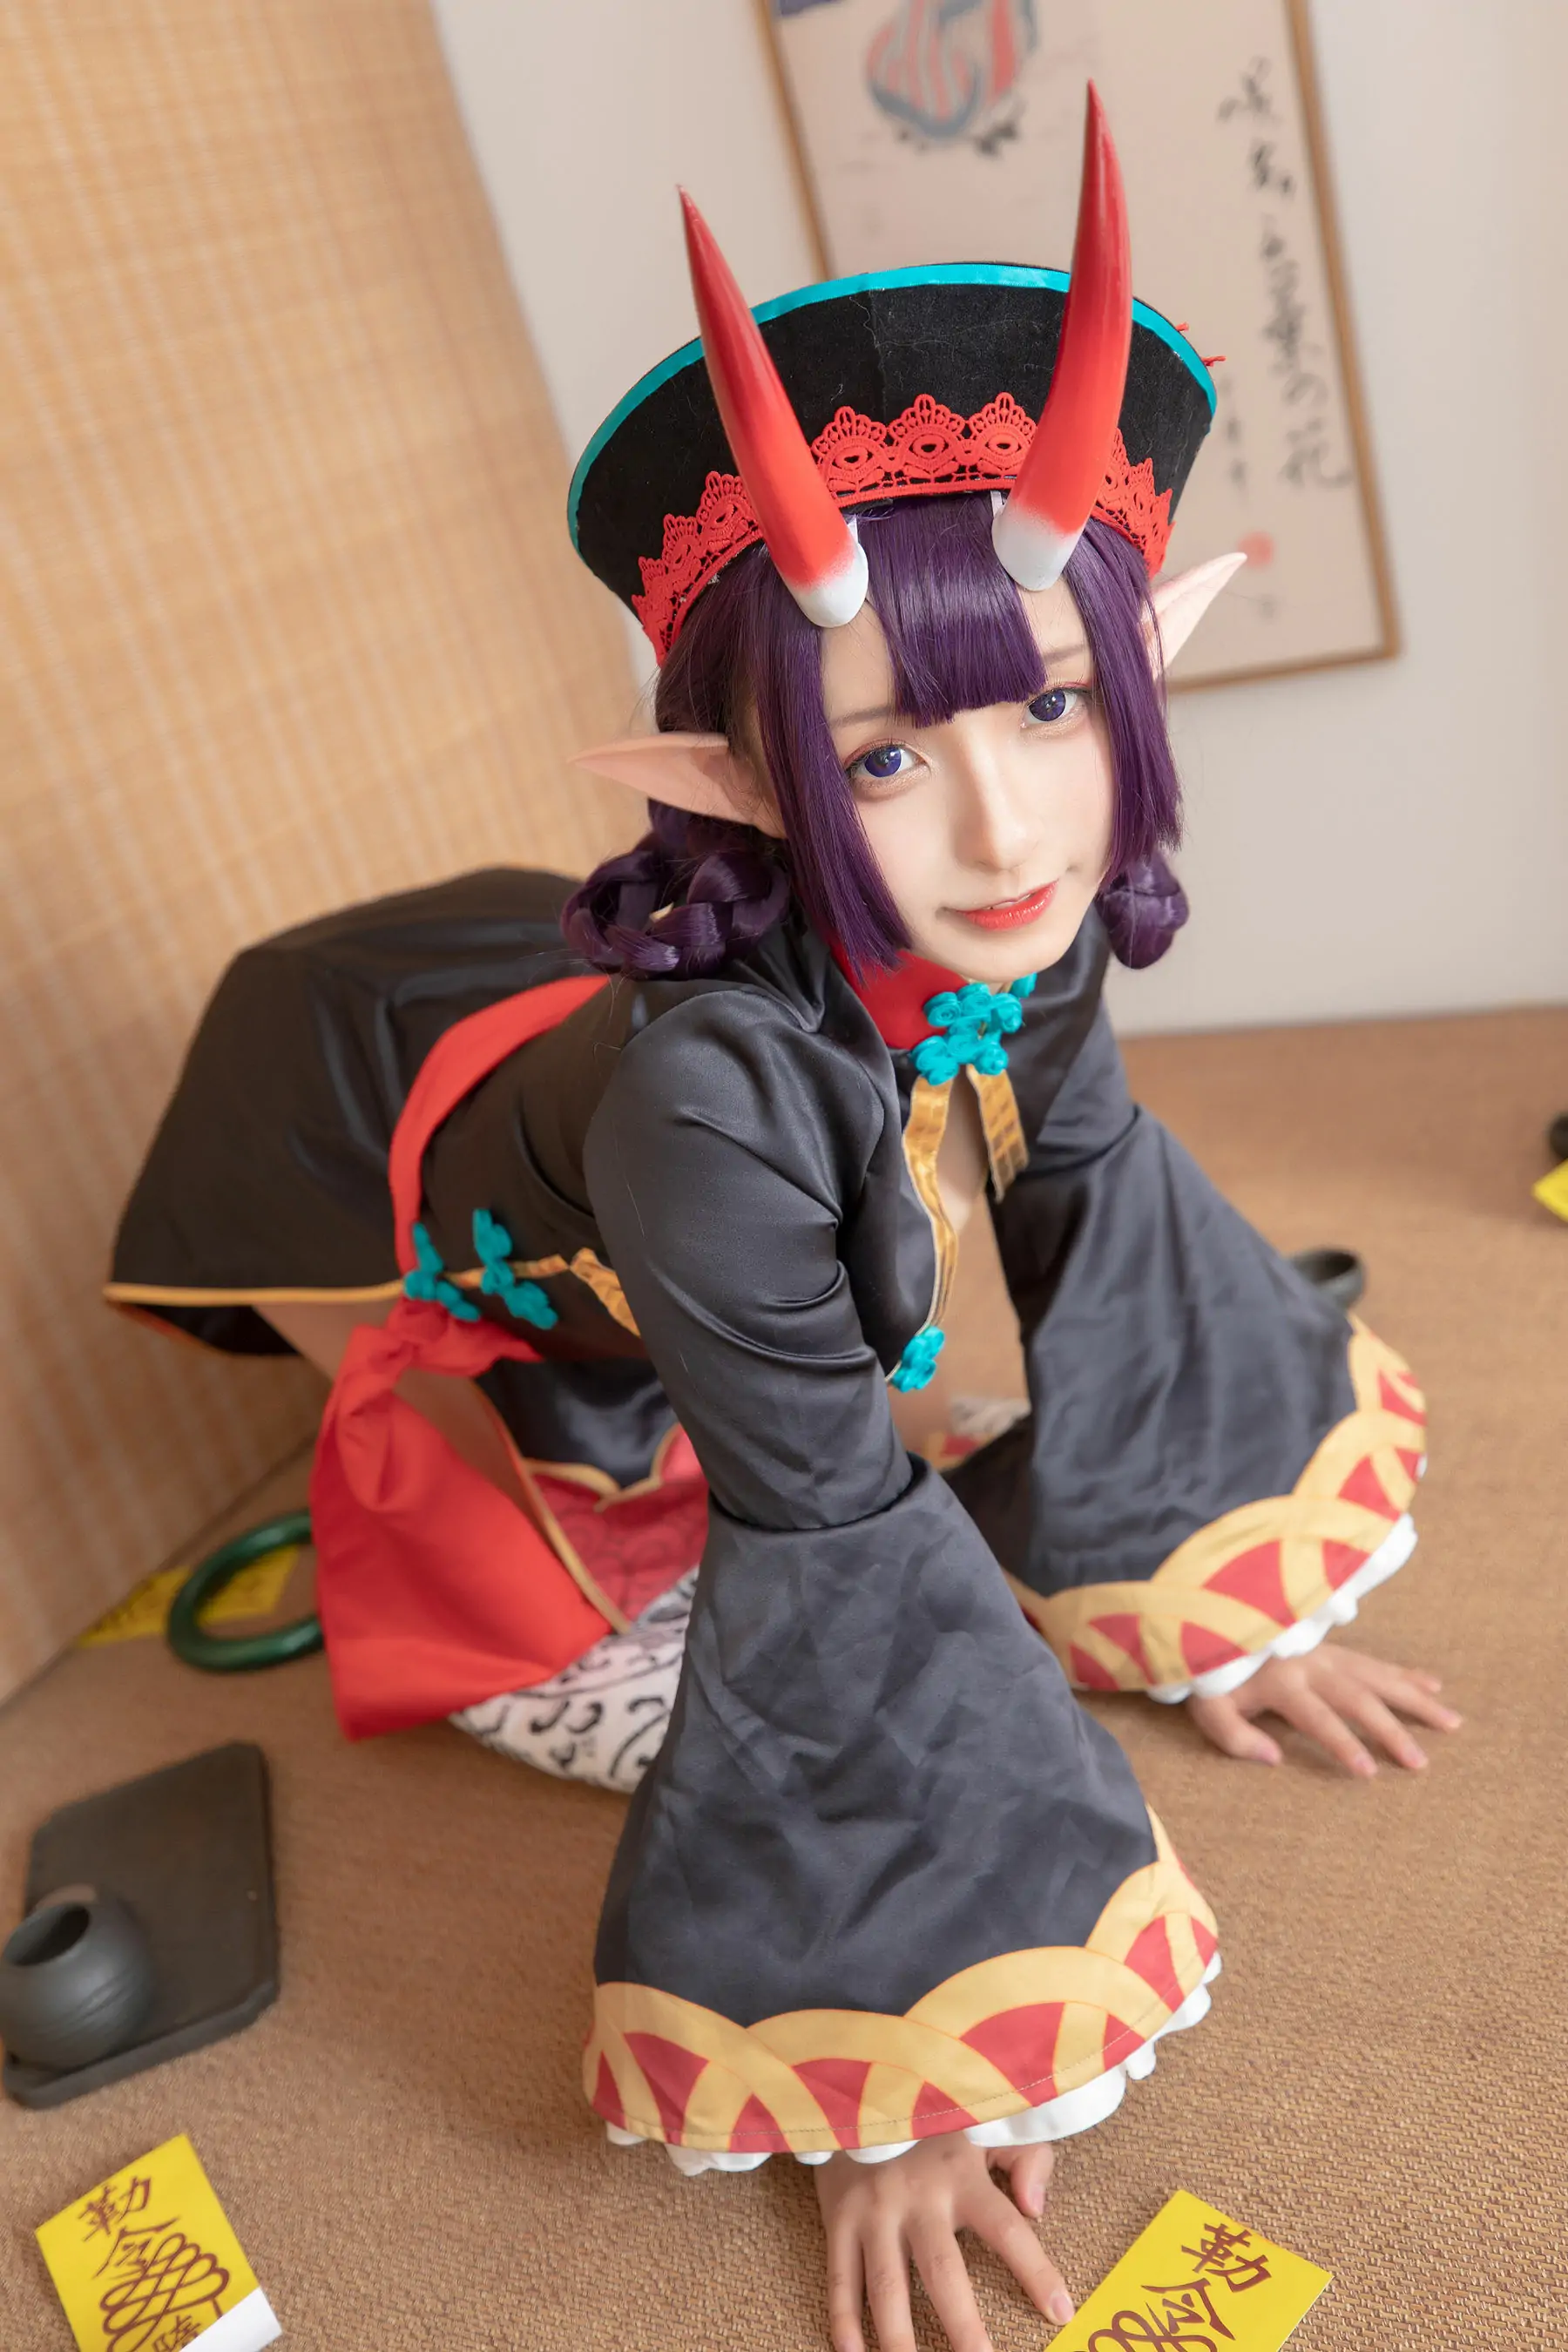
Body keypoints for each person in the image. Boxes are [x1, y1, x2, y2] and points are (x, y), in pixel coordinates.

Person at [109, 93, 1458, 2352]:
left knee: (962, 1503)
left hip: (621, 1136)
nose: (1009, 830)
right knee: (680, 1628)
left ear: (1140, 665)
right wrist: (898, 2049)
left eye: (1052, 704)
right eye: (887, 755)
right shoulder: (710, 1097)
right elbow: (824, 1528)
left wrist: (1210, 1589)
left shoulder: (1029, 923)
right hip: (408, 1196)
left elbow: (1095, 1201)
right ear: (740, 784)